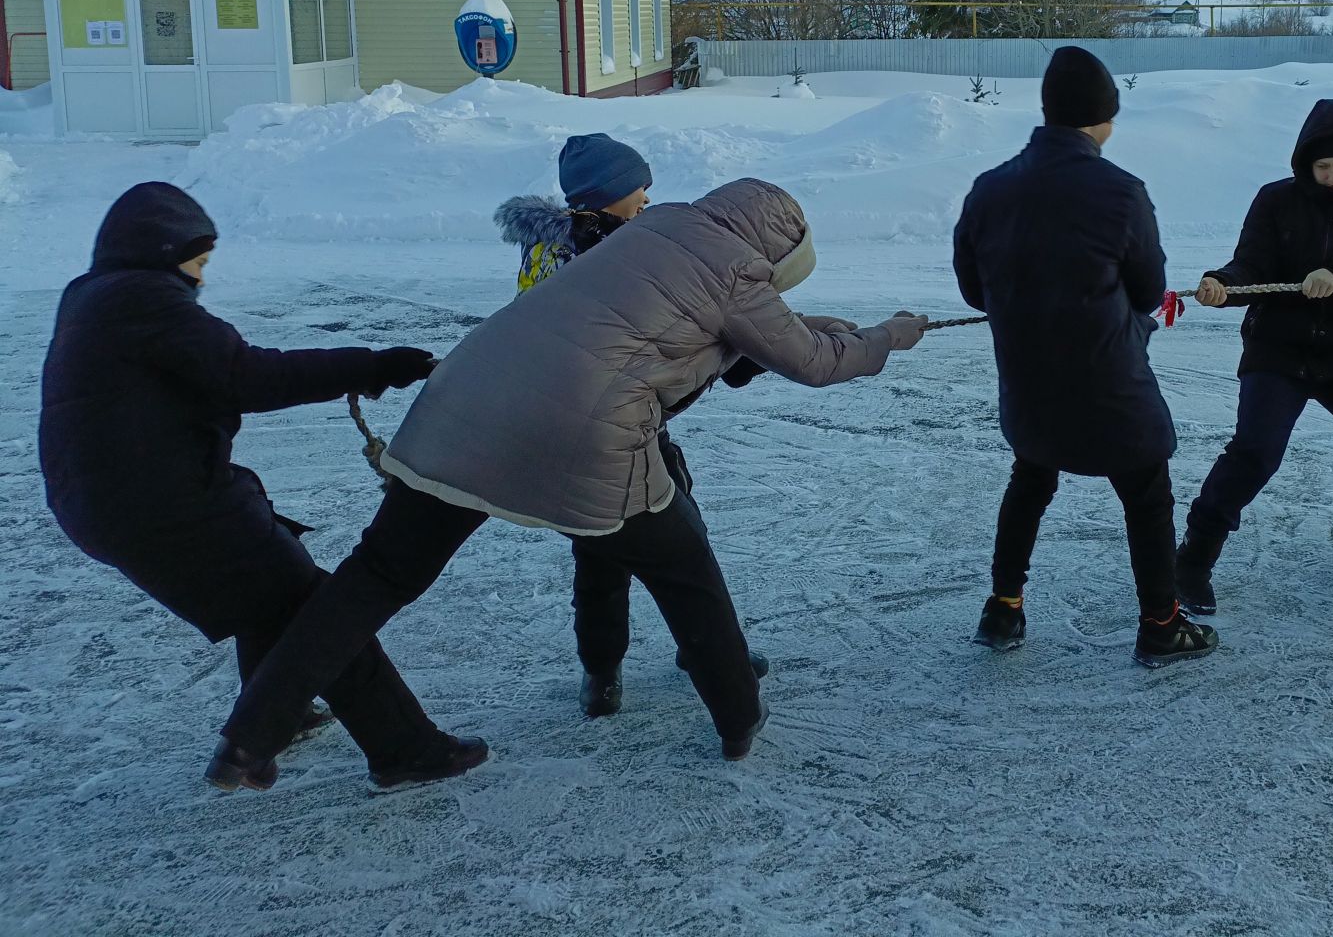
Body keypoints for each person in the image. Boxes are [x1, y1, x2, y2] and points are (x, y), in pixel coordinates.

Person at [208, 179, 927, 789]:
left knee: (375, 577)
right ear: (776, 253)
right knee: (683, 567)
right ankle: (740, 719)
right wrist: (888, 335)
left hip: (463, 399)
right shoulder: (738, 274)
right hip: (579, 431)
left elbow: (699, 322)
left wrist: (814, 324)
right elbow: (813, 363)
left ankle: (250, 735)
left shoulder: (660, 229)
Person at [39, 183, 478, 794]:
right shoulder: (144, 300)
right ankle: (403, 748)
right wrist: (371, 365)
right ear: (162, 250)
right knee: (318, 612)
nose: (201, 273)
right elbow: (248, 376)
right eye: (198, 258)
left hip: (107, 504)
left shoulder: (94, 297)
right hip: (165, 505)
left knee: (267, 585)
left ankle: (286, 712)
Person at [954, 46, 1217, 668]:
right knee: (1147, 493)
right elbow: (1150, 290)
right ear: (1103, 119)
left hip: (1029, 383)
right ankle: (1160, 624)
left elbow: (972, 290)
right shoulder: (1122, 192)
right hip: (1110, 382)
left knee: (1030, 478)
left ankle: (1004, 608)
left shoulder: (989, 188)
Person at [496, 133, 769, 718]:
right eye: (636, 187)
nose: (648, 195)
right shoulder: (605, 255)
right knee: (667, 552)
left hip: (599, 423)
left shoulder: (578, 247)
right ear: (606, 195)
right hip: (606, 426)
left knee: (621, 553)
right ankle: (675, 662)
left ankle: (619, 672)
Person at [1175, 97, 1333, 596]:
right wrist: (1222, 283)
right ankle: (1194, 556)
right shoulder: (1275, 200)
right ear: (1305, 164)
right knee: (1255, 452)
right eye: (1324, 166)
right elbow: (1252, 264)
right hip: (1278, 350)